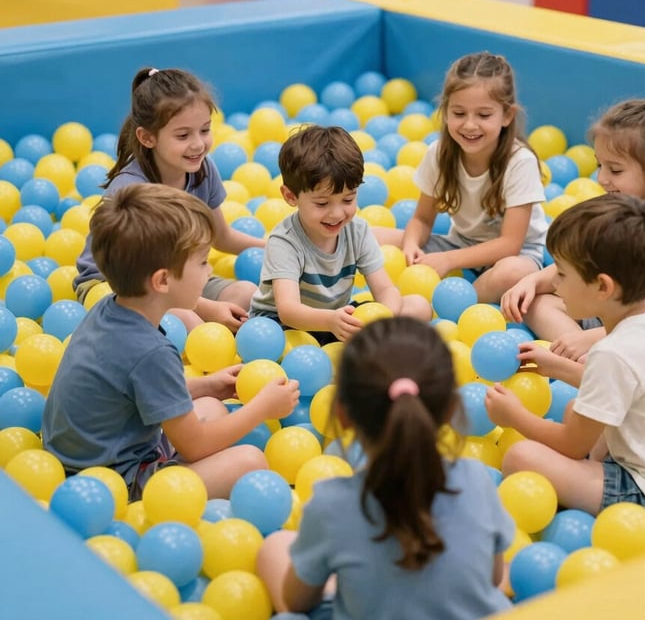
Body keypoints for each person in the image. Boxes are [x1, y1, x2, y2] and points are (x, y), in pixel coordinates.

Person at [42, 184, 300, 500]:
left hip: (77, 459)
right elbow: (195, 445)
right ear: (162, 280)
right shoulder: (151, 352)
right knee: (250, 461)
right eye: (203, 262)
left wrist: (208, 384)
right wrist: (262, 408)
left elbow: (129, 392)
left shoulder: (108, 308)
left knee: (211, 406)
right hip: (112, 485)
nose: (209, 272)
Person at [486, 194, 645, 515]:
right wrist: (559, 368)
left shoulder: (612, 352)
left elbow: (572, 446)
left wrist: (514, 415)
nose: (556, 285)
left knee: (522, 457)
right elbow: (632, 385)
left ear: (603, 287)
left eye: (562, 274)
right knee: (578, 407)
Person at [257, 317, 514, 620]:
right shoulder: (475, 479)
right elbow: (494, 578)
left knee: (275, 550)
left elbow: (298, 601)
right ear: (449, 410)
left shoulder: (331, 505)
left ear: (342, 414)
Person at [501, 98, 645, 369]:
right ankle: (590, 364)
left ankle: (589, 362)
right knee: (537, 304)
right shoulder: (621, 208)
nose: (602, 178)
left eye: (615, 169)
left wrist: (592, 337)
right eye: (599, 165)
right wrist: (534, 281)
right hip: (621, 314)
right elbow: (583, 266)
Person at [74, 67, 265, 332]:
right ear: (147, 137)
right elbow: (141, 278)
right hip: (117, 284)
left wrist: (279, 247)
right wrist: (207, 309)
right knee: (186, 320)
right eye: (183, 135)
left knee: (246, 293)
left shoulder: (202, 171)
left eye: (205, 130)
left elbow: (222, 237)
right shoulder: (132, 191)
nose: (198, 144)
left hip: (175, 277)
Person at [372, 51, 547, 304]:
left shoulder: (520, 162)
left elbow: (510, 244)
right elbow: (422, 218)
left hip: (513, 256)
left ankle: (455, 301)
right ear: (445, 111)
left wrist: (447, 261)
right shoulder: (440, 154)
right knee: (368, 236)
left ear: (507, 115)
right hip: (460, 244)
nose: (469, 125)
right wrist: (411, 245)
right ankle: (446, 291)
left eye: (484, 115)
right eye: (459, 113)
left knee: (512, 273)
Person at [249, 125, 432, 343]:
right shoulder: (285, 241)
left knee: (418, 306)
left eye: (348, 200)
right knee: (271, 341)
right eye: (322, 203)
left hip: (336, 319)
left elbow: (385, 289)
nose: (337, 214)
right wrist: (330, 321)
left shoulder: (357, 231)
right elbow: (288, 309)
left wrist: (384, 318)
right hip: (286, 326)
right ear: (290, 196)